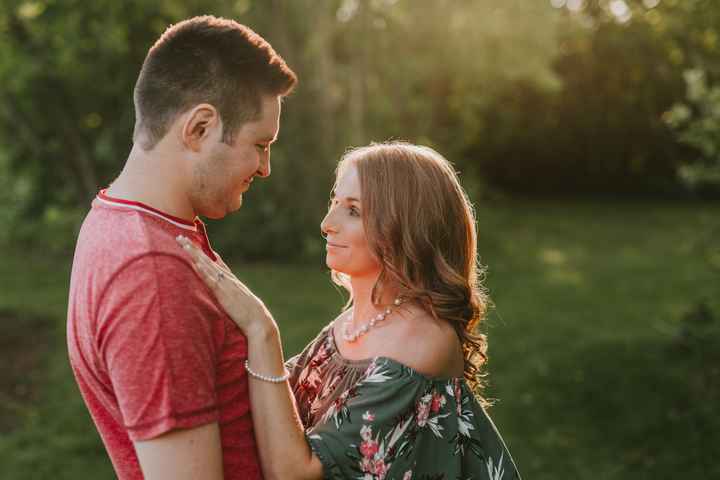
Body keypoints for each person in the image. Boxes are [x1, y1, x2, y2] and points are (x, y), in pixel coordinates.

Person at [177, 141, 521, 479]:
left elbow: (297, 472)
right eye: (335, 202)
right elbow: (269, 407)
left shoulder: (420, 342)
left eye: (353, 210)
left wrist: (260, 328)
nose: (327, 223)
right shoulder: (349, 326)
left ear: (406, 228)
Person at [66, 16, 296, 480]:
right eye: (260, 143)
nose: (265, 167)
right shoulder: (150, 275)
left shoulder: (124, 220)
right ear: (200, 128)